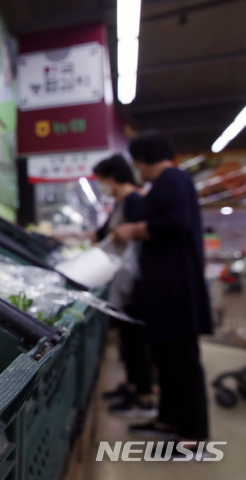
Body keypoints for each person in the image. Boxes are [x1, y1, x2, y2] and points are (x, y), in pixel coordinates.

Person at [113, 131, 212, 446]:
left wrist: (135, 229)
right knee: (168, 363)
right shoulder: (171, 181)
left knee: (182, 364)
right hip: (166, 292)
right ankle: (169, 421)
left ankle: (192, 437)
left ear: (142, 159)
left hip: (176, 292)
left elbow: (177, 220)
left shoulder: (171, 179)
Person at [91, 155, 156, 418]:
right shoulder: (121, 203)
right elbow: (103, 234)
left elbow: (134, 239)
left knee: (137, 340)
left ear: (112, 177)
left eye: (102, 181)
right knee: (128, 340)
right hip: (123, 281)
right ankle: (132, 386)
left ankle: (143, 396)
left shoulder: (135, 201)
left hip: (135, 282)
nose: (102, 186)